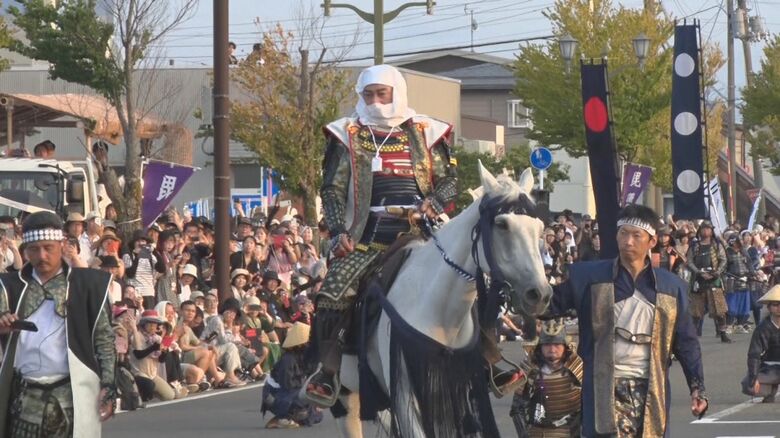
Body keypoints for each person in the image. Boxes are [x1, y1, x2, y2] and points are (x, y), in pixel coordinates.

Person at [304, 64, 460, 407]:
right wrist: (337, 231)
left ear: (397, 92)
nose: (375, 101)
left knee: (472, 274)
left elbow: (450, 180)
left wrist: (434, 201)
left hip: (423, 228)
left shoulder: (425, 131)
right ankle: (327, 371)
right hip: (369, 233)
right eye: (368, 94)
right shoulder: (346, 133)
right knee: (333, 290)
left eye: (381, 93)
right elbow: (331, 189)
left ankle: (490, 358)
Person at [549, 204, 707, 437]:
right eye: (623, 233)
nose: (628, 241)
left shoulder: (671, 288)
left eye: (636, 235)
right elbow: (548, 306)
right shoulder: (589, 278)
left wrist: (697, 387)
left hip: (650, 385)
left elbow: (686, 342)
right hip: (603, 385)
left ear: (652, 242)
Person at [0, 211, 116, 438]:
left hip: (71, 394)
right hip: (23, 397)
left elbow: (104, 339)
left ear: (62, 245)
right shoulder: (8, 287)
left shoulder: (87, 286)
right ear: (25, 251)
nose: (41, 255)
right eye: (34, 249)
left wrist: (109, 385)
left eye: (48, 247)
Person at [510, 319, 583, 437]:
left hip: (570, 431)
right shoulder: (529, 368)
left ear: (565, 346)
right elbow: (517, 409)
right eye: (547, 344)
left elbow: (589, 402)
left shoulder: (576, 365)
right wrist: (524, 435)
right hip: (538, 432)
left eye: (557, 344)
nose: (552, 349)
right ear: (540, 346)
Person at [262, 322, 323, 429]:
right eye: (308, 341)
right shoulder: (288, 360)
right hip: (275, 395)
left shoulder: (301, 357)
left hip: (287, 392)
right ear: (301, 343)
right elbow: (288, 385)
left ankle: (289, 416)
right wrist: (310, 396)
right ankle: (282, 417)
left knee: (317, 415)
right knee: (305, 404)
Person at [686, 220, 731, 342]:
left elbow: (723, 259)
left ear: (712, 231)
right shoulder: (695, 246)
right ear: (700, 231)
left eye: (708, 229)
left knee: (720, 309)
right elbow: (689, 261)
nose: (705, 231)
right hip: (698, 281)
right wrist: (699, 272)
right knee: (695, 311)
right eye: (703, 229)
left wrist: (717, 272)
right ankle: (692, 336)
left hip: (714, 279)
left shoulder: (716, 244)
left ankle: (723, 333)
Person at [743, 284, 780, 403]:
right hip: (770, 368)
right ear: (769, 307)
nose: (779, 307)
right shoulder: (762, 328)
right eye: (775, 304)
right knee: (749, 385)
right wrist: (754, 377)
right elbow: (754, 355)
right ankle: (770, 389)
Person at [724, 233, 756, 333]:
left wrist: (751, 274)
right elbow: (724, 267)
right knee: (731, 305)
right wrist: (729, 275)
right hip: (732, 282)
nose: (741, 242)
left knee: (744, 306)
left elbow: (750, 264)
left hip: (745, 281)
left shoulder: (744, 251)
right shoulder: (727, 252)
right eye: (739, 240)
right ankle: (729, 325)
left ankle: (740, 324)